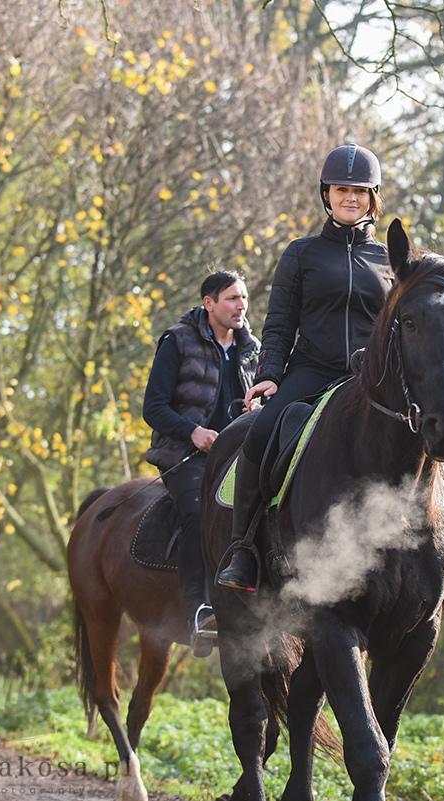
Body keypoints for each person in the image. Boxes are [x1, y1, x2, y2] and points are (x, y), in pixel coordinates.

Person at [215, 143, 444, 605]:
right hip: (311, 370)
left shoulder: (392, 262)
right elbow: (279, 325)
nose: (351, 199)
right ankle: (243, 550)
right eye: (342, 190)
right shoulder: (300, 255)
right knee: (259, 436)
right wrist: (271, 375)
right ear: (327, 194)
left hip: (374, 379)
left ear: (373, 197)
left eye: (360, 191)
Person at [142, 271, 259, 655]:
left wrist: (256, 407)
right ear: (209, 303)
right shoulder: (177, 342)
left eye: (243, 297)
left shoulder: (250, 348)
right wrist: (192, 431)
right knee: (199, 512)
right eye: (231, 298)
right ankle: (200, 610)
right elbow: (153, 407)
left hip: (236, 453)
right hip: (184, 454)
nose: (241, 305)